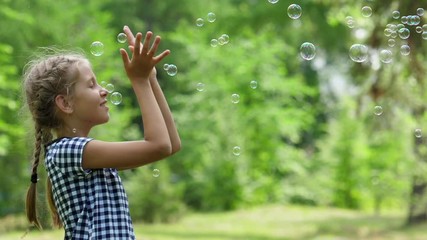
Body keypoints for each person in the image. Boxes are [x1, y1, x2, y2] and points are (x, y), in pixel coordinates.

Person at [23, 25, 181, 239]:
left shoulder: (86, 156)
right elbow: (159, 146)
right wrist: (140, 80)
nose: (104, 91)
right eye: (91, 85)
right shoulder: (67, 151)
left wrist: (150, 78)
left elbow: (171, 145)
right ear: (65, 103)